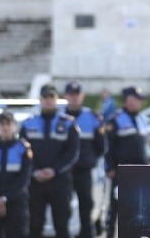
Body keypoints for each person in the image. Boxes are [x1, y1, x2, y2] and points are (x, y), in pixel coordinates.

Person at [19, 83, 80, 238]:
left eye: (51, 97)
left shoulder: (68, 124)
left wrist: (55, 169)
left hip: (60, 181)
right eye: (45, 98)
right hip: (35, 182)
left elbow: (72, 152)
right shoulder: (28, 124)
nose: (48, 101)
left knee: (61, 225)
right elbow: (23, 152)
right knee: (34, 225)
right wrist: (34, 171)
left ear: (56, 99)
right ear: (40, 100)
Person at [104, 86, 149, 238]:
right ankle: (110, 234)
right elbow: (107, 146)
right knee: (115, 206)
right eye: (137, 99)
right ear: (128, 100)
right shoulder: (115, 120)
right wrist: (109, 167)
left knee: (138, 206)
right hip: (121, 171)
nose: (139, 103)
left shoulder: (141, 119)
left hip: (140, 171)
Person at [64, 82, 105, 238]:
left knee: (86, 204)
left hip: (84, 170)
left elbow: (101, 146)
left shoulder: (92, 118)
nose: (74, 98)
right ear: (66, 96)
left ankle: (86, 233)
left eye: (77, 95)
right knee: (63, 206)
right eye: (71, 95)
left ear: (82, 96)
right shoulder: (60, 119)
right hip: (64, 171)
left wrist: (89, 160)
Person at [0, 111, 33, 238]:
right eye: (2, 124)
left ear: (14, 126)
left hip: (15, 202)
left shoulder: (23, 149)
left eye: (8, 124)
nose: (5, 127)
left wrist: (5, 199)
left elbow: (24, 179)